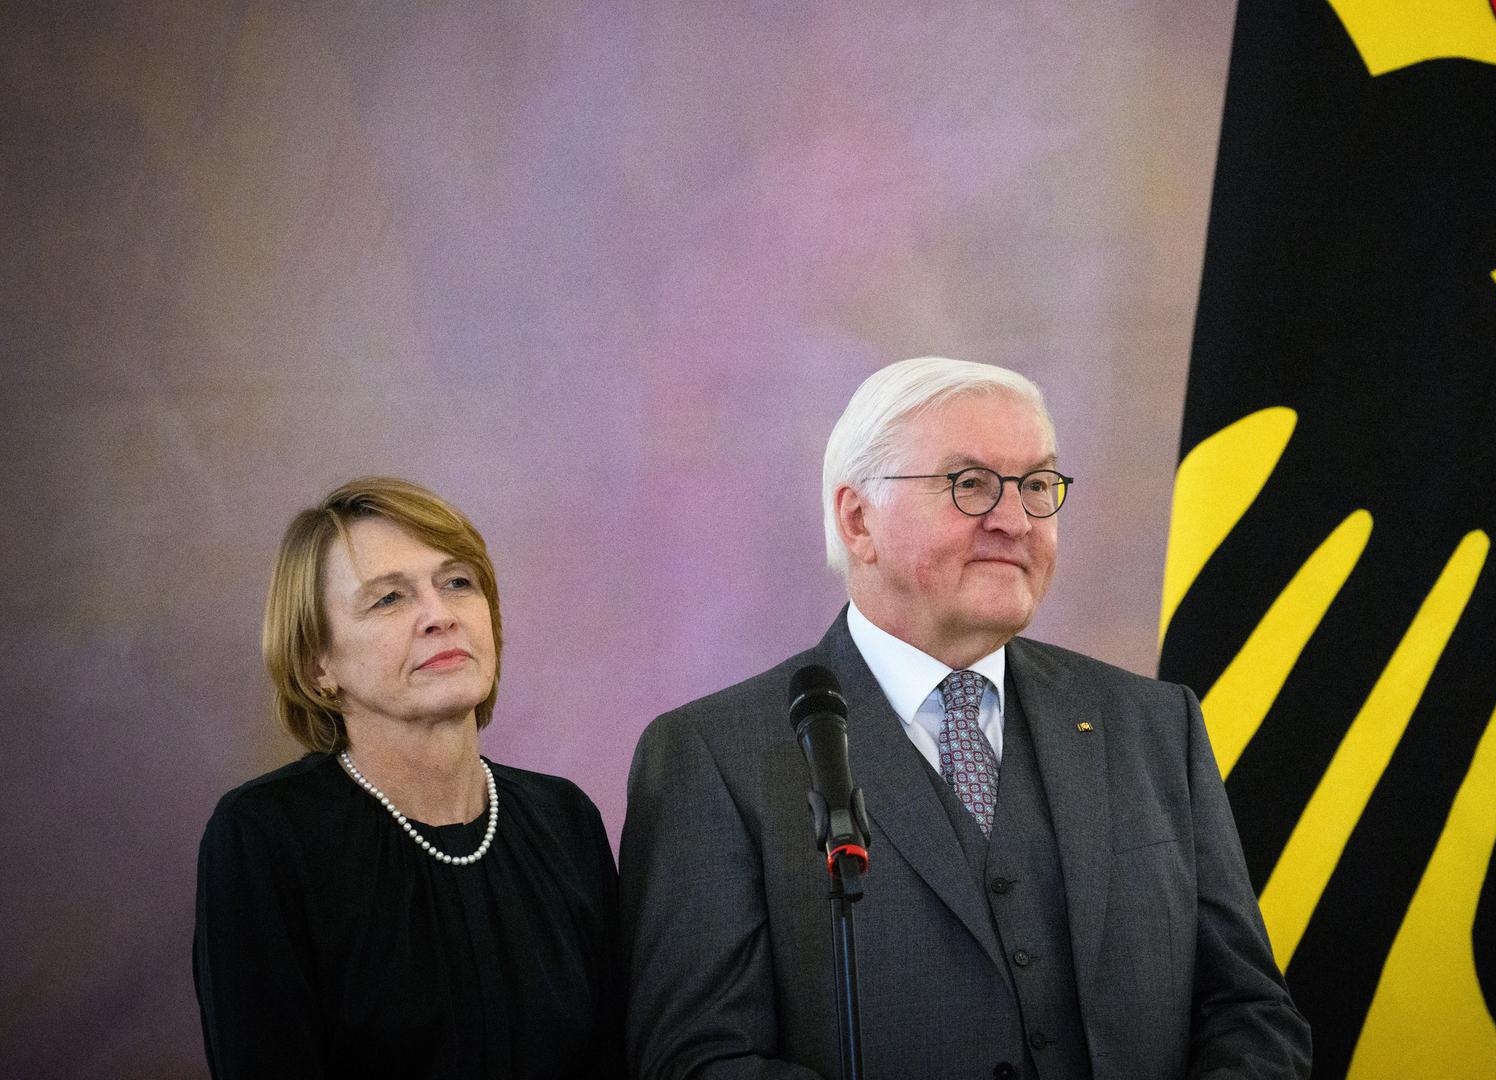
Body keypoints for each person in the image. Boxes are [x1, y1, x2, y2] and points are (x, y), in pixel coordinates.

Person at [621, 358, 1310, 1078]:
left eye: (1038, 486)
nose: (1014, 521)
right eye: (970, 484)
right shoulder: (714, 755)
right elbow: (697, 1061)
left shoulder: (1152, 726)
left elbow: (1249, 1011)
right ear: (858, 520)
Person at [194, 477, 622, 1079]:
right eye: (388, 598)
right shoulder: (264, 840)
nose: (439, 616)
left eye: (457, 583)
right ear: (319, 662)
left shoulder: (566, 818)